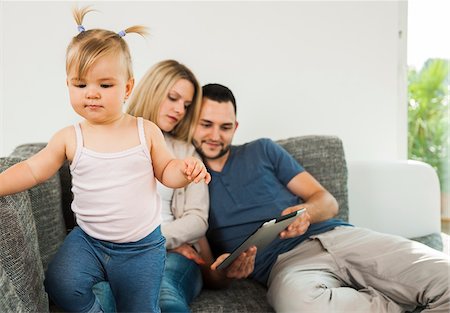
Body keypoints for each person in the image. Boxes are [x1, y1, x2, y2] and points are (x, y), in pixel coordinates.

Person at [0, 7, 210, 313]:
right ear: (68, 85)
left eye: (105, 85)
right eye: (81, 85)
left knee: (140, 308)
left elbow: (167, 171)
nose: (92, 94)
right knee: (60, 283)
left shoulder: (145, 131)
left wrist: (185, 170)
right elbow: (33, 170)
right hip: (88, 242)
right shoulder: (69, 137)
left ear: (127, 88)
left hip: (142, 249)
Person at [192, 83, 450, 312]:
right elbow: (213, 276)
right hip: (286, 266)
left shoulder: (262, 150)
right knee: (301, 304)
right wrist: (227, 272)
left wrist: (307, 213)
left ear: (235, 127)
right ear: (191, 121)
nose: (215, 136)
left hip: (338, 236)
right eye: (206, 125)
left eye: (225, 127)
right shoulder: (187, 180)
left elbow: (327, 201)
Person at [93, 59, 210, 313]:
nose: (180, 109)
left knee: (164, 295)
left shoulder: (187, 152)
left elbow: (198, 220)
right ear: (153, 90)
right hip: (115, 255)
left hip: (172, 255)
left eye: (186, 105)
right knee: (103, 295)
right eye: (173, 98)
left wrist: (156, 240)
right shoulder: (108, 138)